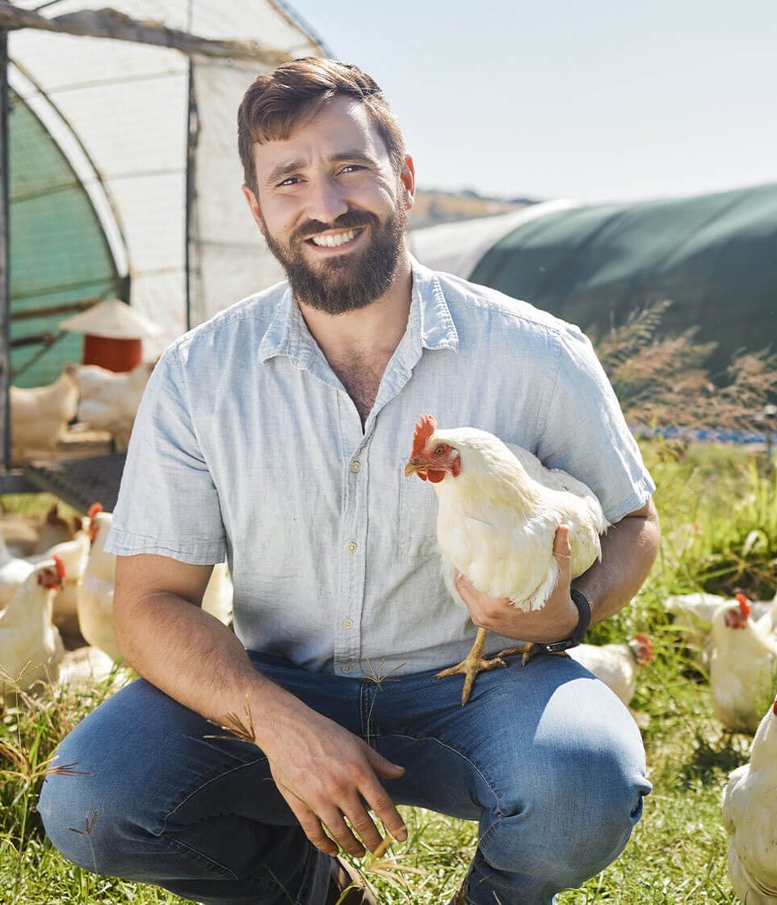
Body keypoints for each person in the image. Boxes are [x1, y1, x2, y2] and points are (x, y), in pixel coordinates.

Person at [38, 58, 659, 905]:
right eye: (290, 179)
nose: (325, 205)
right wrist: (271, 718)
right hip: (279, 680)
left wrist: (573, 611)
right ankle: (315, 891)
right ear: (258, 209)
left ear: (404, 180)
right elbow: (148, 603)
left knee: (583, 785)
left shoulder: (535, 351)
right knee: (92, 801)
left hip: (484, 684)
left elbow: (633, 523)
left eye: (349, 168)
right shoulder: (199, 375)